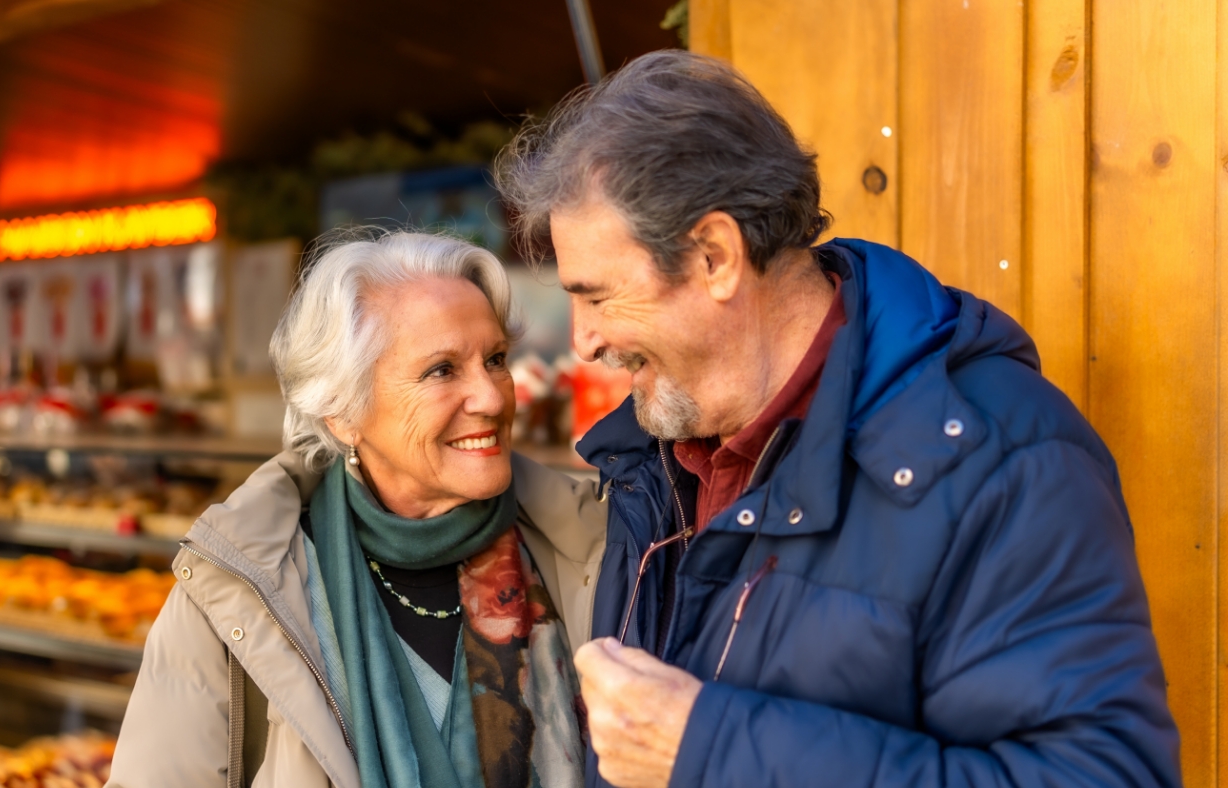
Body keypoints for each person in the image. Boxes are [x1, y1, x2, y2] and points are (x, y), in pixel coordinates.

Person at [494, 50, 1182, 788]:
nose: (583, 339)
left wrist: (712, 751)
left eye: (597, 295)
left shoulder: (1004, 460)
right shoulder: (655, 457)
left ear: (715, 256)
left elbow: (1102, 776)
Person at [108, 231, 606, 788]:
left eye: (494, 359)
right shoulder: (237, 592)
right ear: (342, 413)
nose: (492, 397)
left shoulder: (593, 549)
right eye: (442, 370)